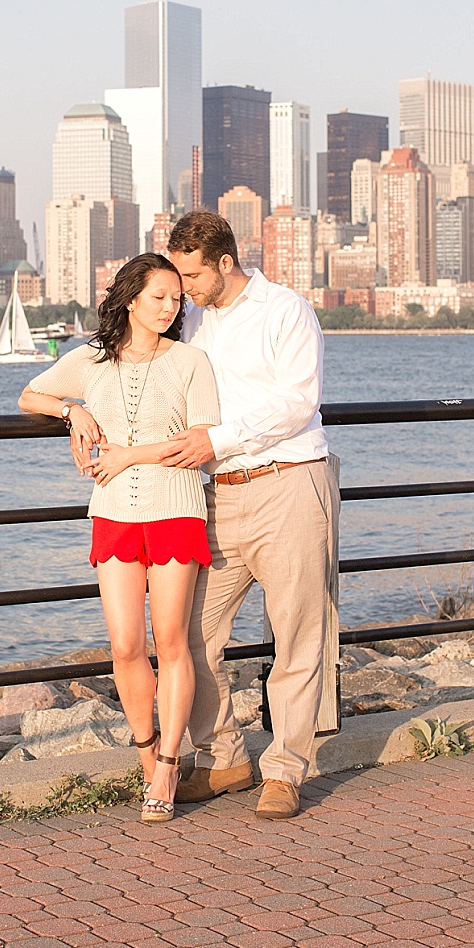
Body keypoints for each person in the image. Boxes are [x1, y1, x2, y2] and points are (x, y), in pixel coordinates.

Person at [18, 253, 220, 823]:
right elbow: (28, 395)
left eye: (177, 299)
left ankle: (170, 764)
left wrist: (131, 454)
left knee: (172, 641)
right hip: (112, 514)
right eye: (158, 297)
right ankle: (146, 751)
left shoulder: (191, 361)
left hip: (176, 511)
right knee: (126, 644)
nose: (170, 307)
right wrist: (72, 412)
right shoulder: (92, 359)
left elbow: (202, 436)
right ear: (131, 299)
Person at [163, 210, 340, 820]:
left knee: (297, 633)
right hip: (217, 495)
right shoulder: (194, 324)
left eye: (191, 275)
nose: (183, 286)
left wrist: (220, 439)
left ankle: (286, 769)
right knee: (191, 634)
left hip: (288, 485)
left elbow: (298, 403)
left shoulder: (285, 310)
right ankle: (225, 756)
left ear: (224, 263)